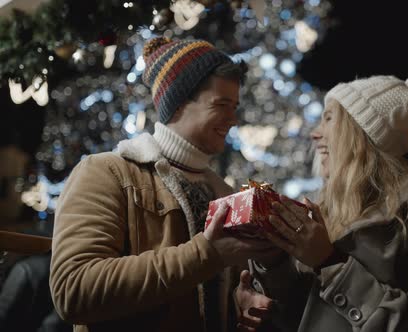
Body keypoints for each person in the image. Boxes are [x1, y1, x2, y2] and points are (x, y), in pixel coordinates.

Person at [49, 37, 278, 332]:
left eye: (235, 106)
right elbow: (73, 291)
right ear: (179, 103)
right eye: (222, 104)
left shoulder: (223, 194)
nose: (233, 119)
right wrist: (205, 254)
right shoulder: (106, 173)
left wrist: (238, 304)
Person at [236, 75, 408, 331]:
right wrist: (271, 269)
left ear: (361, 131)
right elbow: (298, 312)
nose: (315, 134)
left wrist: (330, 263)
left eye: (329, 118)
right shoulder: (320, 206)